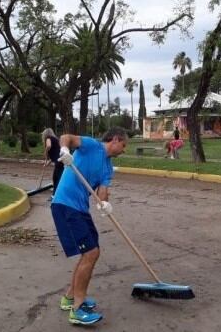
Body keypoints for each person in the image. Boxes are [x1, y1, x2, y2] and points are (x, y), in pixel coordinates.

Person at [51, 127, 127, 326]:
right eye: (124, 145)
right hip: (65, 205)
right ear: (116, 140)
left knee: (93, 252)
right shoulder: (91, 146)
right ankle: (78, 309)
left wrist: (106, 205)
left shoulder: (108, 167)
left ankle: (69, 298)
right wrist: (65, 151)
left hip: (80, 208)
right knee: (91, 253)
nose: (124, 150)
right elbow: (66, 137)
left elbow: (102, 192)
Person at [42, 128, 64, 196]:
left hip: (60, 161)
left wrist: (45, 152)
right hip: (60, 161)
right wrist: (47, 163)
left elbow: (48, 146)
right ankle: (56, 194)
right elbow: (55, 154)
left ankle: (56, 195)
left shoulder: (48, 138)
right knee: (55, 178)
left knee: (57, 179)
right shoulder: (55, 140)